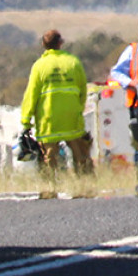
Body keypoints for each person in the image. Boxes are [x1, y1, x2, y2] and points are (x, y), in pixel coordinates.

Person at [21, 30, 94, 176]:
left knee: (48, 160)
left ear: (43, 44)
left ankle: (49, 190)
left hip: (48, 121)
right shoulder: (73, 62)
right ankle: (85, 187)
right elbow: (82, 90)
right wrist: (78, 109)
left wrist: (26, 120)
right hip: (72, 119)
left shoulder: (39, 66)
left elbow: (31, 94)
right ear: (60, 43)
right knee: (81, 157)